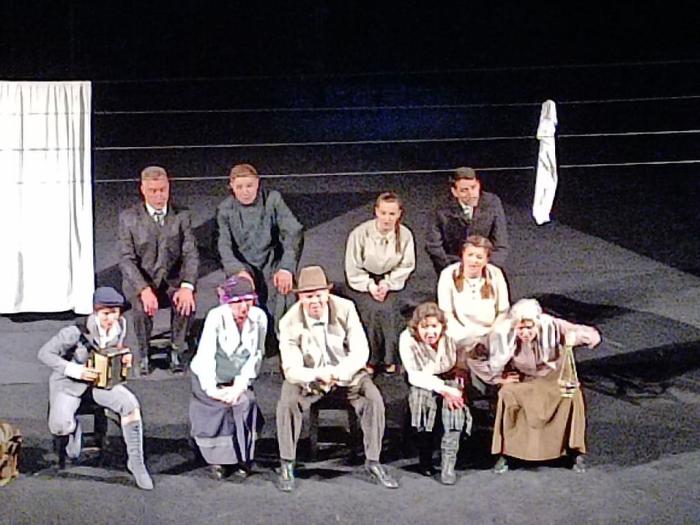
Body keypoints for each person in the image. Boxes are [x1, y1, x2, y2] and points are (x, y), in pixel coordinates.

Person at [275, 265, 399, 492]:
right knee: (288, 400)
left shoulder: (346, 308)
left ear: (327, 292)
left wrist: (339, 373)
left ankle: (373, 460)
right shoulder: (289, 322)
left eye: (319, 295)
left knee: (373, 398)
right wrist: (316, 375)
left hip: (345, 376)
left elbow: (360, 351)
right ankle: (287, 462)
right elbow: (291, 368)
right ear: (300, 297)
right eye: (308, 296)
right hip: (311, 379)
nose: (314, 301)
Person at [38, 287, 154, 490]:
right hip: (69, 384)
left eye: (115, 312)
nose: (111, 318)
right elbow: (45, 354)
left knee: (130, 405)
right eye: (105, 313)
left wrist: (125, 357)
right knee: (60, 426)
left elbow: (118, 349)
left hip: (101, 383)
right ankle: (73, 429)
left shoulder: (120, 326)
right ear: (95, 312)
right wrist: (76, 370)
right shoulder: (75, 332)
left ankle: (136, 463)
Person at [469, 298, 601, 473]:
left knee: (571, 394)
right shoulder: (501, 333)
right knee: (507, 393)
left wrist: (574, 337)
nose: (525, 333)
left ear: (537, 324)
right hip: (523, 380)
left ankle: (574, 451)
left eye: (529, 328)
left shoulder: (551, 325)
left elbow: (592, 335)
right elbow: (474, 356)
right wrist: (498, 379)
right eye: (520, 328)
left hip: (552, 378)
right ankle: (506, 453)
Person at [118, 166, 199, 374]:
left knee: (186, 302)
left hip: (171, 280)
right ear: (143, 190)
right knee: (140, 307)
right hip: (143, 280)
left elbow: (190, 253)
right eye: (153, 191)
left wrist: (187, 286)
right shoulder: (128, 218)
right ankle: (144, 353)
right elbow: (126, 260)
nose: (159, 195)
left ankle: (176, 349)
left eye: (162, 190)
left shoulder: (182, 215)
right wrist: (143, 289)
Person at [189, 276, 266, 480]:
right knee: (217, 408)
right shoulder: (216, 317)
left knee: (245, 402)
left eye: (248, 301)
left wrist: (239, 386)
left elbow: (256, 356)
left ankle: (244, 458)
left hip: (237, 378)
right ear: (227, 302)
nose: (244, 307)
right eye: (237, 302)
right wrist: (214, 390)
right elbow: (206, 356)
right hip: (209, 377)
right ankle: (217, 460)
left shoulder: (259, 318)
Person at [216, 163, 304, 339]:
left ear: (257, 183)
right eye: (239, 187)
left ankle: (285, 341)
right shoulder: (225, 210)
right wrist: (238, 271)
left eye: (249, 186)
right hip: (243, 266)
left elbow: (293, 233)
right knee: (241, 293)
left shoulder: (273, 200)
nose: (245, 191)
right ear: (231, 186)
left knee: (284, 290)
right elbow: (223, 246)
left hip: (272, 263)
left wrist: (286, 267)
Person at [399, 302, 472, 485]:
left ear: (442, 326)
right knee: (421, 403)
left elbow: (472, 341)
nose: (430, 332)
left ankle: (448, 465)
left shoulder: (452, 333)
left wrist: (458, 378)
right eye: (425, 327)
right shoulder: (407, 339)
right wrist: (443, 389)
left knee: (454, 409)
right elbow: (414, 375)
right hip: (423, 380)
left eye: (434, 326)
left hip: (449, 376)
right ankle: (425, 459)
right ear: (416, 327)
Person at [344, 192, 416, 374]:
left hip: (393, 281)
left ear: (399, 214)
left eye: (392, 214)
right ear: (376, 211)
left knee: (389, 308)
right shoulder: (360, 234)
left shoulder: (405, 235)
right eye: (383, 213)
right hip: (363, 282)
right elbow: (353, 266)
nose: (387, 218)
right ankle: (370, 358)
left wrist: (387, 283)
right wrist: (370, 285)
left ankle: (390, 358)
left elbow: (406, 265)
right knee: (372, 309)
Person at [426, 167, 509, 274]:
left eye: (473, 187)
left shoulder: (492, 202)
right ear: (454, 192)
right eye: (464, 190)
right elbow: (433, 245)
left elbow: (500, 243)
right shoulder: (440, 208)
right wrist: (456, 269)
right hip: (452, 268)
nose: (471, 194)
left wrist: (486, 268)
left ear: (478, 184)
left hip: (486, 268)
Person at [437, 235, 510, 345]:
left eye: (479, 257)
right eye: (470, 255)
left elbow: (502, 312)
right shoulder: (448, 274)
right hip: (461, 334)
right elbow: (447, 314)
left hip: (491, 333)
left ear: (486, 260)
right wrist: (466, 335)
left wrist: (492, 333)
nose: (473, 261)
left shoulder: (496, 274)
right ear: (463, 255)